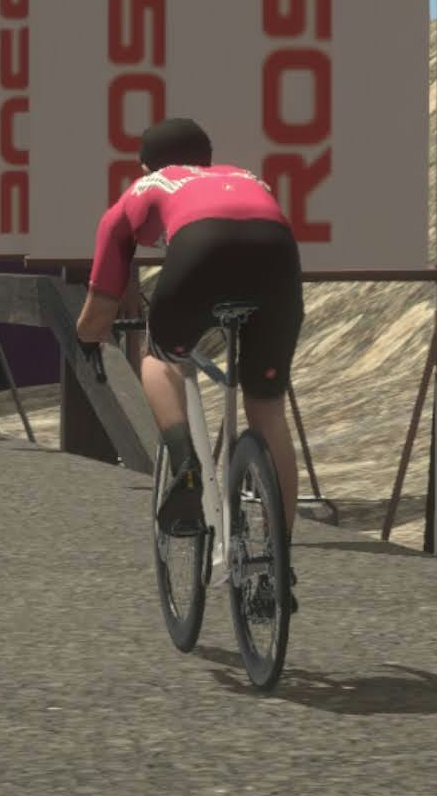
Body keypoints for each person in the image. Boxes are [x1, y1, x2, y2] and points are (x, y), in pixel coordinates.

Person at [75, 115, 305, 544]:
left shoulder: (143, 187)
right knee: (269, 409)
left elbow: (99, 310)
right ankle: (279, 557)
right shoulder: (246, 177)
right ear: (207, 159)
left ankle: (185, 464)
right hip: (278, 258)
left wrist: (86, 339)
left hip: (200, 251)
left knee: (159, 357)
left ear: (147, 166)